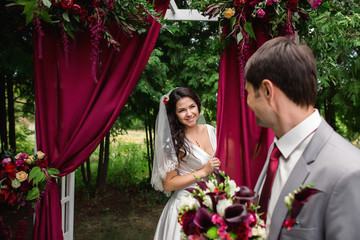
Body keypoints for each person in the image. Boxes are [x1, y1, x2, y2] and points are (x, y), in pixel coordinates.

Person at [245, 37, 360, 240]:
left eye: (248, 93)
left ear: (267, 91)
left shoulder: (349, 171)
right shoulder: (276, 151)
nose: (247, 102)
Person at [151, 87, 220, 240]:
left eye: (192, 107)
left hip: (211, 203)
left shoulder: (211, 130)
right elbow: (168, 184)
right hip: (185, 207)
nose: (189, 114)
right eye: (182, 110)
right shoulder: (173, 142)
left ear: (198, 106)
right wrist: (202, 173)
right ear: (174, 114)